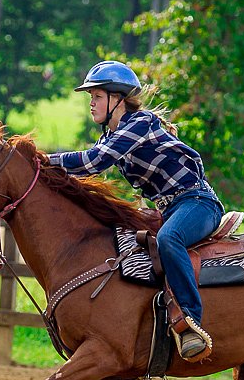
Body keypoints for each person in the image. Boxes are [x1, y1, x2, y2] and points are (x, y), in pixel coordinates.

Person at [47, 60, 225, 362]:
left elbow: (93, 162)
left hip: (198, 203)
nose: (91, 104)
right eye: (91, 98)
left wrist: (40, 159)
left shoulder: (140, 123)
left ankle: (190, 322)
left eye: (97, 97)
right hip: (170, 208)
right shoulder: (111, 138)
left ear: (118, 99)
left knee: (169, 239)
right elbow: (88, 167)